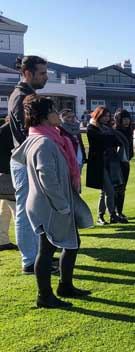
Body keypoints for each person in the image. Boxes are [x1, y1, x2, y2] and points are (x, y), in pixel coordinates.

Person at [11, 95, 93, 308]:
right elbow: (47, 178)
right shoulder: (44, 142)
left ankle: (65, 286)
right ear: (44, 116)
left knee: (71, 244)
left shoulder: (48, 138)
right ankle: (45, 296)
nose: (58, 114)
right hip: (50, 206)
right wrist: (63, 206)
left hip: (52, 203)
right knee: (46, 251)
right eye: (54, 110)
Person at [7, 56, 53, 274]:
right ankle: (29, 261)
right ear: (28, 73)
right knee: (25, 211)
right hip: (24, 159)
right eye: (42, 73)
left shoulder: (26, 95)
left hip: (29, 158)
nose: (46, 77)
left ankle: (37, 258)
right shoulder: (20, 97)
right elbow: (26, 133)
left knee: (34, 211)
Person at [86, 107, 125, 225]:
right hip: (99, 163)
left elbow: (116, 142)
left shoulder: (107, 129)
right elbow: (100, 142)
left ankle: (101, 216)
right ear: (98, 115)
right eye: (104, 116)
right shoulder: (92, 128)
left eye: (108, 116)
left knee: (105, 191)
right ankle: (112, 214)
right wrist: (109, 139)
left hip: (110, 162)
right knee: (110, 190)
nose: (107, 118)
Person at [113, 109, 134, 220]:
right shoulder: (116, 131)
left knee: (122, 188)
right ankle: (114, 212)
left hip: (125, 162)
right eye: (123, 119)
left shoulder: (128, 131)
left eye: (127, 119)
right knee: (117, 188)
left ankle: (119, 211)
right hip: (116, 164)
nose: (126, 121)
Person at [0, 117, 18, 251]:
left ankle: (2, 241)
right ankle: (28, 245)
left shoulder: (5, 130)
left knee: (4, 210)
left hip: (5, 174)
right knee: (18, 213)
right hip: (9, 175)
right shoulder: (9, 131)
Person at [58, 109, 87, 185]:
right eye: (69, 117)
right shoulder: (60, 130)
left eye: (73, 117)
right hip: (68, 162)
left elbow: (81, 144)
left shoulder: (77, 128)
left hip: (79, 160)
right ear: (62, 118)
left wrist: (84, 157)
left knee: (77, 186)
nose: (72, 119)